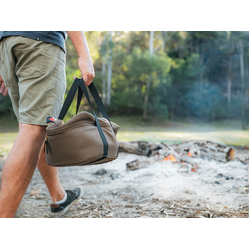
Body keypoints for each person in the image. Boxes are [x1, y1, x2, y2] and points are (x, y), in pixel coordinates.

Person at [0, 31, 95, 218]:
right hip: (40, 43)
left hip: (8, 44)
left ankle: (59, 197)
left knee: (34, 128)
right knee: (34, 130)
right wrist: (84, 54)